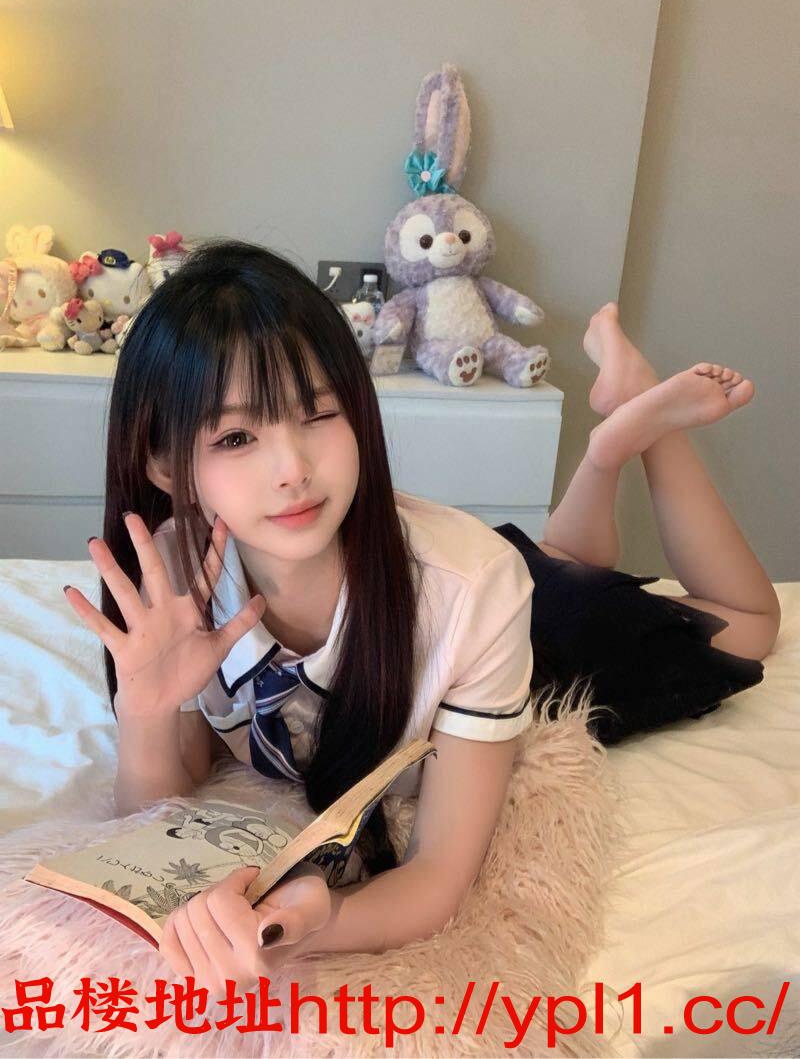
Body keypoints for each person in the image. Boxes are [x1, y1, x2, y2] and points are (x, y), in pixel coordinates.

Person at [61, 240, 780, 999]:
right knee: (564, 560)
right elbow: (159, 808)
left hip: (522, 638)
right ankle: (608, 443)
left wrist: (322, 921)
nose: (293, 469)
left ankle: (642, 435)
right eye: (236, 437)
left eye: (319, 413)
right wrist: (145, 711)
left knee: (749, 621)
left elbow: (439, 875)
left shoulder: (473, 592)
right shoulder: (175, 580)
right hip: (453, 570)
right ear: (166, 465)